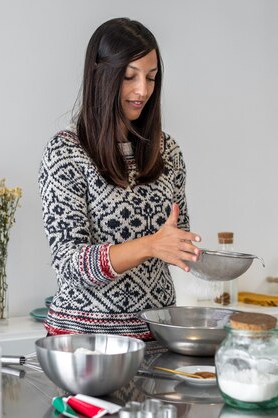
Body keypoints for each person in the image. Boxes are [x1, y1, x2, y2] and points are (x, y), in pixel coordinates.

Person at [38, 17, 201, 339]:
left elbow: (173, 240)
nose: (143, 90)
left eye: (151, 78)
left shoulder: (168, 151)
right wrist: (150, 245)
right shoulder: (65, 152)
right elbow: (69, 264)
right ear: (101, 74)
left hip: (156, 335)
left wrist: (191, 253)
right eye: (129, 76)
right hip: (85, 344)